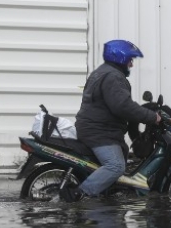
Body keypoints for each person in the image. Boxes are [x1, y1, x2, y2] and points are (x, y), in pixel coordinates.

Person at [60, 40, 161, 202]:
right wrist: (152, 117)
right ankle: (81, 193)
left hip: (96, 129)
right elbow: (123, 106)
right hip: (99, 133)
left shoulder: (102, 72)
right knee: (116, 166)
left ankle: (106, 191)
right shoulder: (113, 77)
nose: (131, 64)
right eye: (130, 60)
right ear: (120, 58)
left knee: (120, 160)